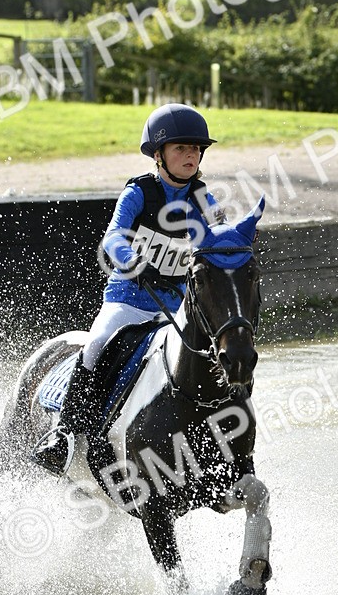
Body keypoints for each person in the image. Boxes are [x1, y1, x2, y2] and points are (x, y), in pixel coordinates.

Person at [31, 103, 222, 475]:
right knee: (96, 345)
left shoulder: (202, 199)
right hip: (129, 302)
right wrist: (131, 260)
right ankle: (64, 435)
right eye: (181, 148)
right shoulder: (140, 192)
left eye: (196, 149)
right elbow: (114, 235)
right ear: (158, 155)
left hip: (174, 308)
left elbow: (217, 236)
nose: (191, 155)